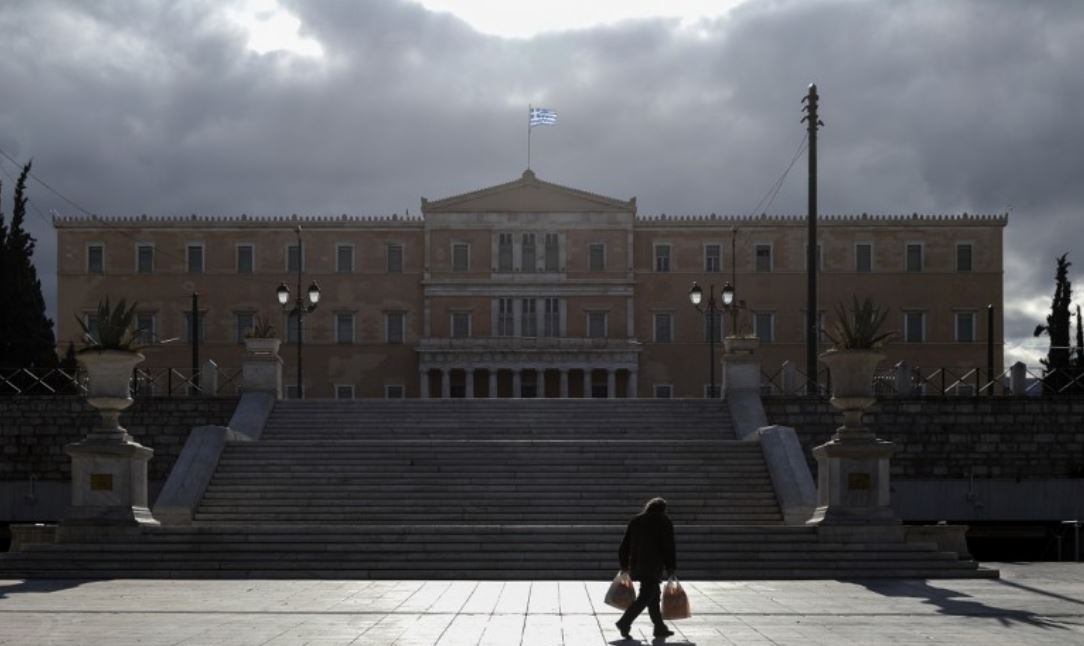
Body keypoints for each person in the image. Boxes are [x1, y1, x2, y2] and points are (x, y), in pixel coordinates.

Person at [616, 496, 676, 640]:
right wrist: (671, 567)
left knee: (653, 596)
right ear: (663, 509)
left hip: (637, 564)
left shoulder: (636, 520)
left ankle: (660, 627)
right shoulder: (663, 521)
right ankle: (624, 622)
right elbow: (668, 546)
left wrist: (624, 564)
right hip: (653, 566)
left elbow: (624, 544)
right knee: (645, 596)